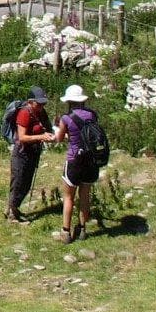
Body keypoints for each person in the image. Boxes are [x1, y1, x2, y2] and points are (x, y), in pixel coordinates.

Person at [56, 83, 102, 242]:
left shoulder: (66, 118)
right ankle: (82, 229)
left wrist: (66, 133)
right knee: (85, 195)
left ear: (69, 101)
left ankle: (66, 231)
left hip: (74, 158)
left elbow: (60, 138)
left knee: (69, 196)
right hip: (90, 159)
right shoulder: (92, 115)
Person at [7, 85, 52, 223]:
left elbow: (46, 128)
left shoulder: (40, 112)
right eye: (39, 103)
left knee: (26, 183)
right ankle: (12, 212)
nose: (41, 106)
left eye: (43, 103)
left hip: (33, 152)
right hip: (21, 153)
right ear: (30, 101)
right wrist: (41, 137)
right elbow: (22, 137)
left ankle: (13, 208)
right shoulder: (25, 113)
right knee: (18, 182)